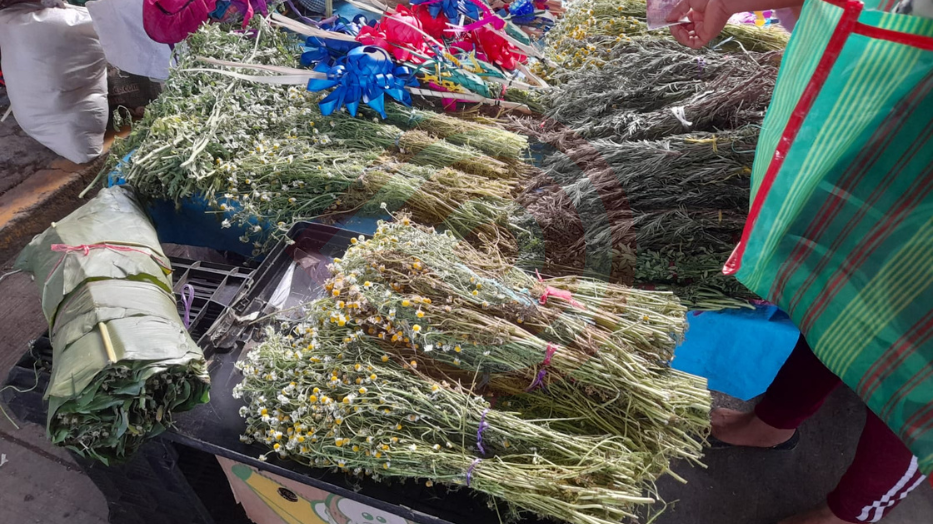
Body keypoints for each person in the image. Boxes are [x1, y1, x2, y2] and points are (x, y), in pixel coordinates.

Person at [666, 1, 931, 523]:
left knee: (916, 360)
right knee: (842, 290)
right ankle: (772, 423)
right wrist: (725, 5)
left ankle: (850, 513)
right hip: (908, 112)